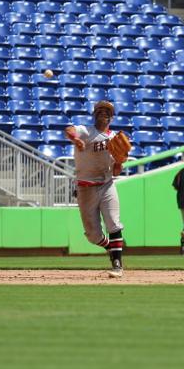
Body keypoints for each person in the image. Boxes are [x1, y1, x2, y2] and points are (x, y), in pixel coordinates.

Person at [64, 100, 125, 278]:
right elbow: (69, 129)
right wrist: (75, 139)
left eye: (107, 111)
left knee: (114, 223)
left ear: (111, 117)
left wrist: (120, 161)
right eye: (100, 110)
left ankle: (117, 264)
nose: (103, 113)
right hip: (85, 188)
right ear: (94, 114)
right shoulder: (86, 131)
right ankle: (109, 247)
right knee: (92, 235)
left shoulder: (115, 138)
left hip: (107, 185)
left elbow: (116, 170)